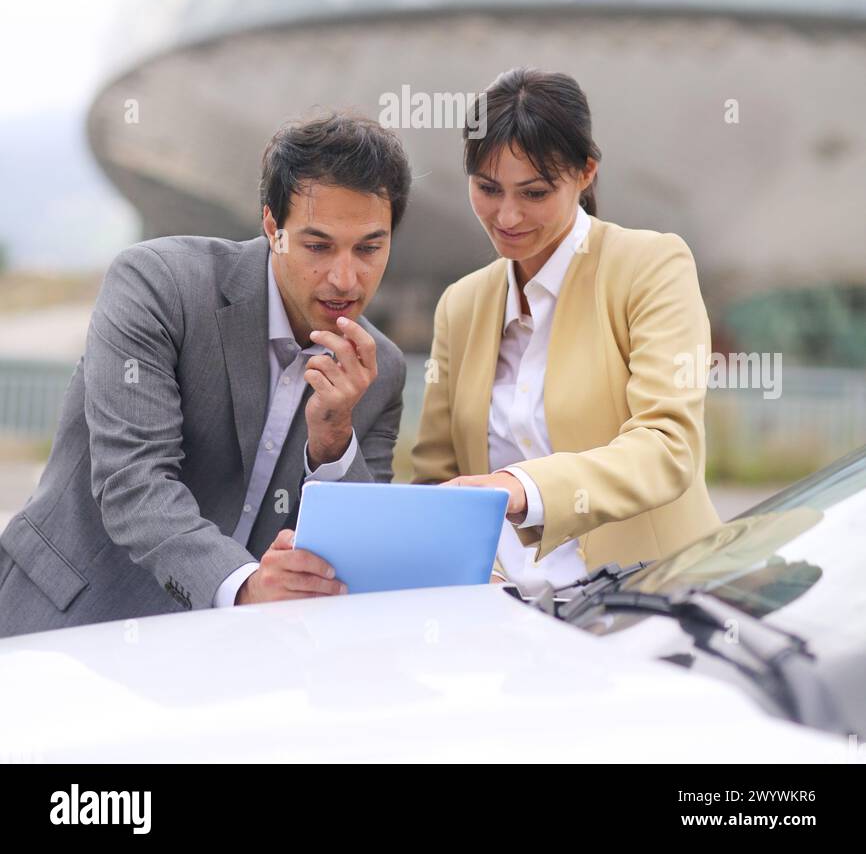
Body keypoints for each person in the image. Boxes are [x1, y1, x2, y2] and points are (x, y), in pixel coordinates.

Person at [0, 111, 411, 637]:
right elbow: (133, 481)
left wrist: (334, 440)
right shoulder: (158, 285)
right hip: (71, 622)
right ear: (272, 227)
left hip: (228, 665)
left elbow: (360, 556)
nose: (344, 277)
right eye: (318, 245)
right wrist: (243, 586)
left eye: (369, 248)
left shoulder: (383, 369)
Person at [411, 67, 722, 598]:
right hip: (501, 618)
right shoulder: (460, 306)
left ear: (585, 173)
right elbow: (436, 482)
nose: (506, 215)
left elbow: (667, 447)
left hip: (650, 606)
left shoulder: (651, 266)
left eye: (534, 193)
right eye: (487, 188)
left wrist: (520, 487)